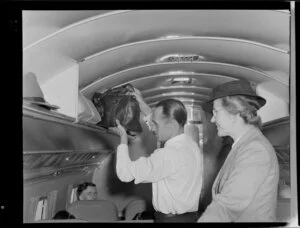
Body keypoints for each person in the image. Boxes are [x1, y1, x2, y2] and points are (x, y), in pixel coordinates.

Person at [197, 79, 279, 222]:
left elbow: (227, 208)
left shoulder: (255, 151)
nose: (212, 119)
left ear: (235, 111)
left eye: (216, 112)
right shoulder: (243, 145)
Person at [113, 95, 203, 223]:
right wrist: (141, 103)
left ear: (172, 125)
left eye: (155, 124)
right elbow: (163, 120)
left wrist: (122, 138)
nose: (151, 128)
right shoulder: (191, 146)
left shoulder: (167, 155)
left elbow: (125, 173)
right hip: (190, 218)